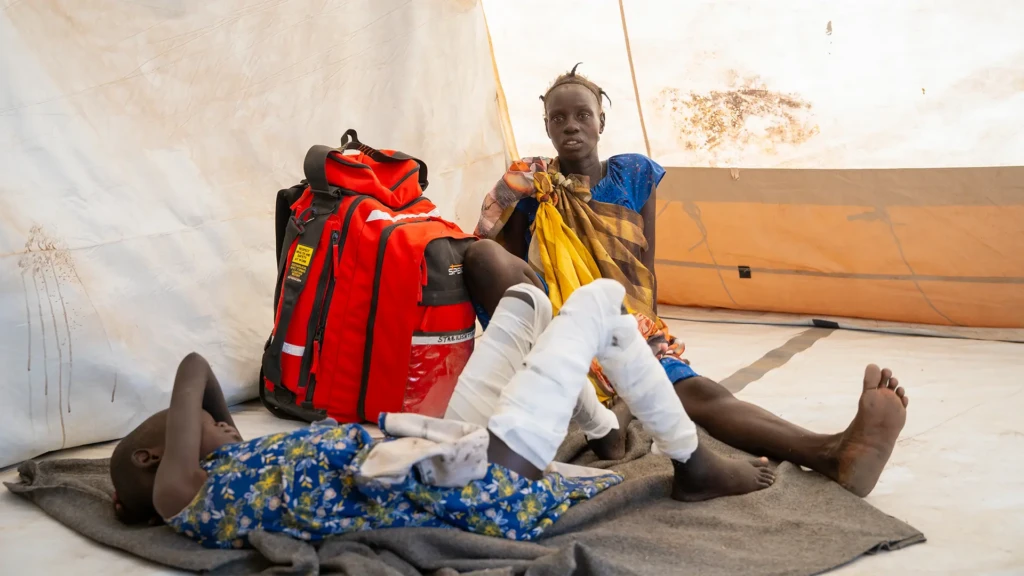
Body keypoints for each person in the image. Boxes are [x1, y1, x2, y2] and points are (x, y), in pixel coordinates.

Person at [460, 65, 910, 497]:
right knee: (484, 259)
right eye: (558, 118)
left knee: (702, 393)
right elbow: (515, 270)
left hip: (625, 320)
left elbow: (643, 272)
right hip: (558, 326)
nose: (571, 126)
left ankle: (833, 453)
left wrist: (643, 341)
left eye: (582, 115)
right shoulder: (529, 183)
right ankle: (605, 404)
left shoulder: (634, 174)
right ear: (545, 125)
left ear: (602, 121)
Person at [110, 280, 775, 549]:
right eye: (191, 428)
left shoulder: (226, 472)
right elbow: (192, 370)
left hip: (454, 446)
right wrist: (206, 423)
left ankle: (602, 433)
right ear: (154, 455)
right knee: (601, 300)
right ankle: (694, 463)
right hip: (485, 481)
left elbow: (200, 404)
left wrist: (217, 434)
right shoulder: (182, 494)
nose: (221, 424)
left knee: (523, 302)